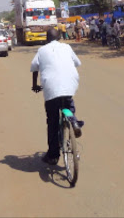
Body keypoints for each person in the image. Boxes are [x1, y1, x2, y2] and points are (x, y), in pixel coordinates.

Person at [31, 27, 84, 165]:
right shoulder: (67, 47)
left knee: (52, 122)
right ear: (59, 37)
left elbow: (34, 68)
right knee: (68, 103)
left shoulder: (42, 50)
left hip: (51, 88)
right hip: (69, 85)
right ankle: (73, 120)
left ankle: (53, 156)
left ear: (46, 38)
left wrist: (35, 85)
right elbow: (77, 63)